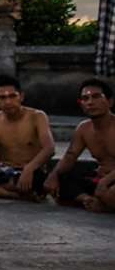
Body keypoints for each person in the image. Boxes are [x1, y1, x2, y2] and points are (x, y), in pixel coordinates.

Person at [44, 78, 115, 210]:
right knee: (60, 180)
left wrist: (105, 182)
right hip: (100, 178)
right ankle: (89, 200)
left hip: (109, 182)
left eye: (96, 97)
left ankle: (103, 205)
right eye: (85, 98)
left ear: (110, 102)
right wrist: (53, 176)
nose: (90, 102)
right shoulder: (83, 128)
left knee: (111, 193)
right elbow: (70, 157)